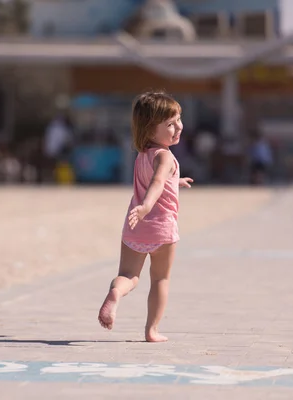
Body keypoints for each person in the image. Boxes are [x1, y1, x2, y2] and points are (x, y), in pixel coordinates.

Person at [97, 91, 193, 342]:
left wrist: (176, 181)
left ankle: (116, 292)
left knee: (129, 276)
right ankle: (152, 330)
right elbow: (158, 181)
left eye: (178, 119)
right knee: (160, 278)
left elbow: (159, 180)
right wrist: (148, 206)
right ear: (150, 130)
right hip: (161, 228)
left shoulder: (143, 155)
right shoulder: (165, 156)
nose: (178, 127)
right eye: (170, 124)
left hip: (135, 227)